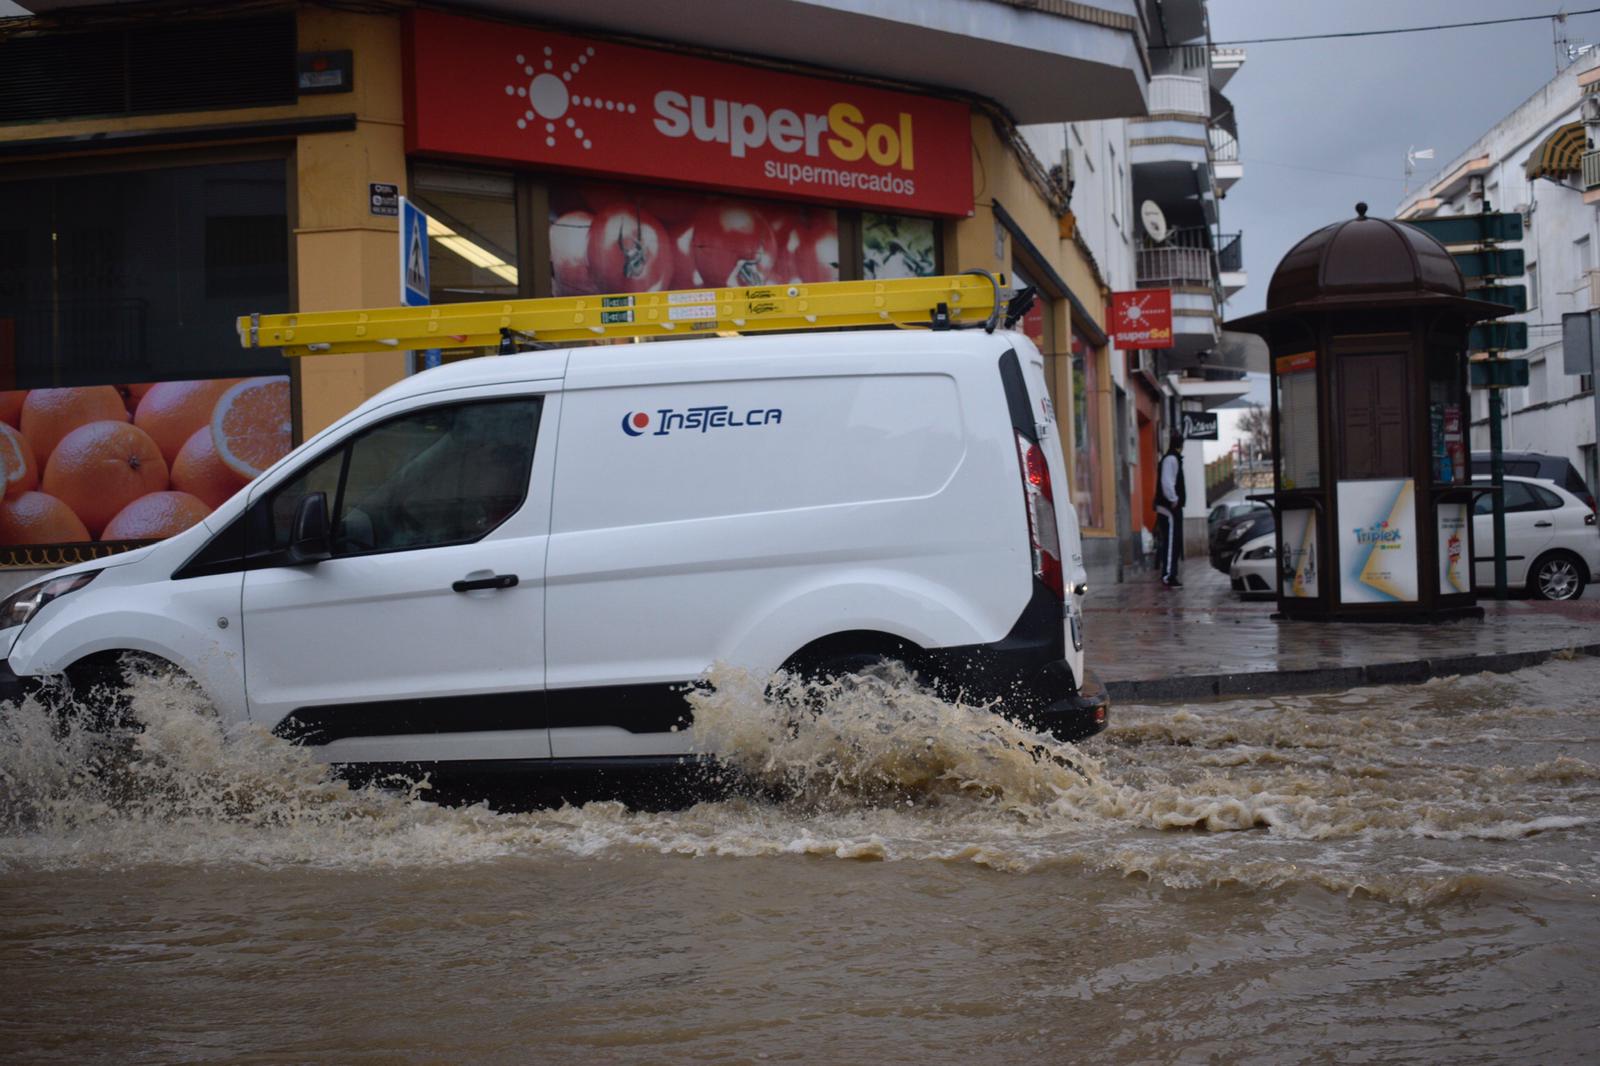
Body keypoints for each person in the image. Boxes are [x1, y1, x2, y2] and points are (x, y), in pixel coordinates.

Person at [1154, 431, 1186, 587]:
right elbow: (1167, 482)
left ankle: (1169, 573)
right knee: (1172, 541)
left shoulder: (1171, 458)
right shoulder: (1171, 459)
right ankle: (1168, 575)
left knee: (1172, 541)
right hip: (1169, 507)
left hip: (1168, 506)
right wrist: (1174, 499)